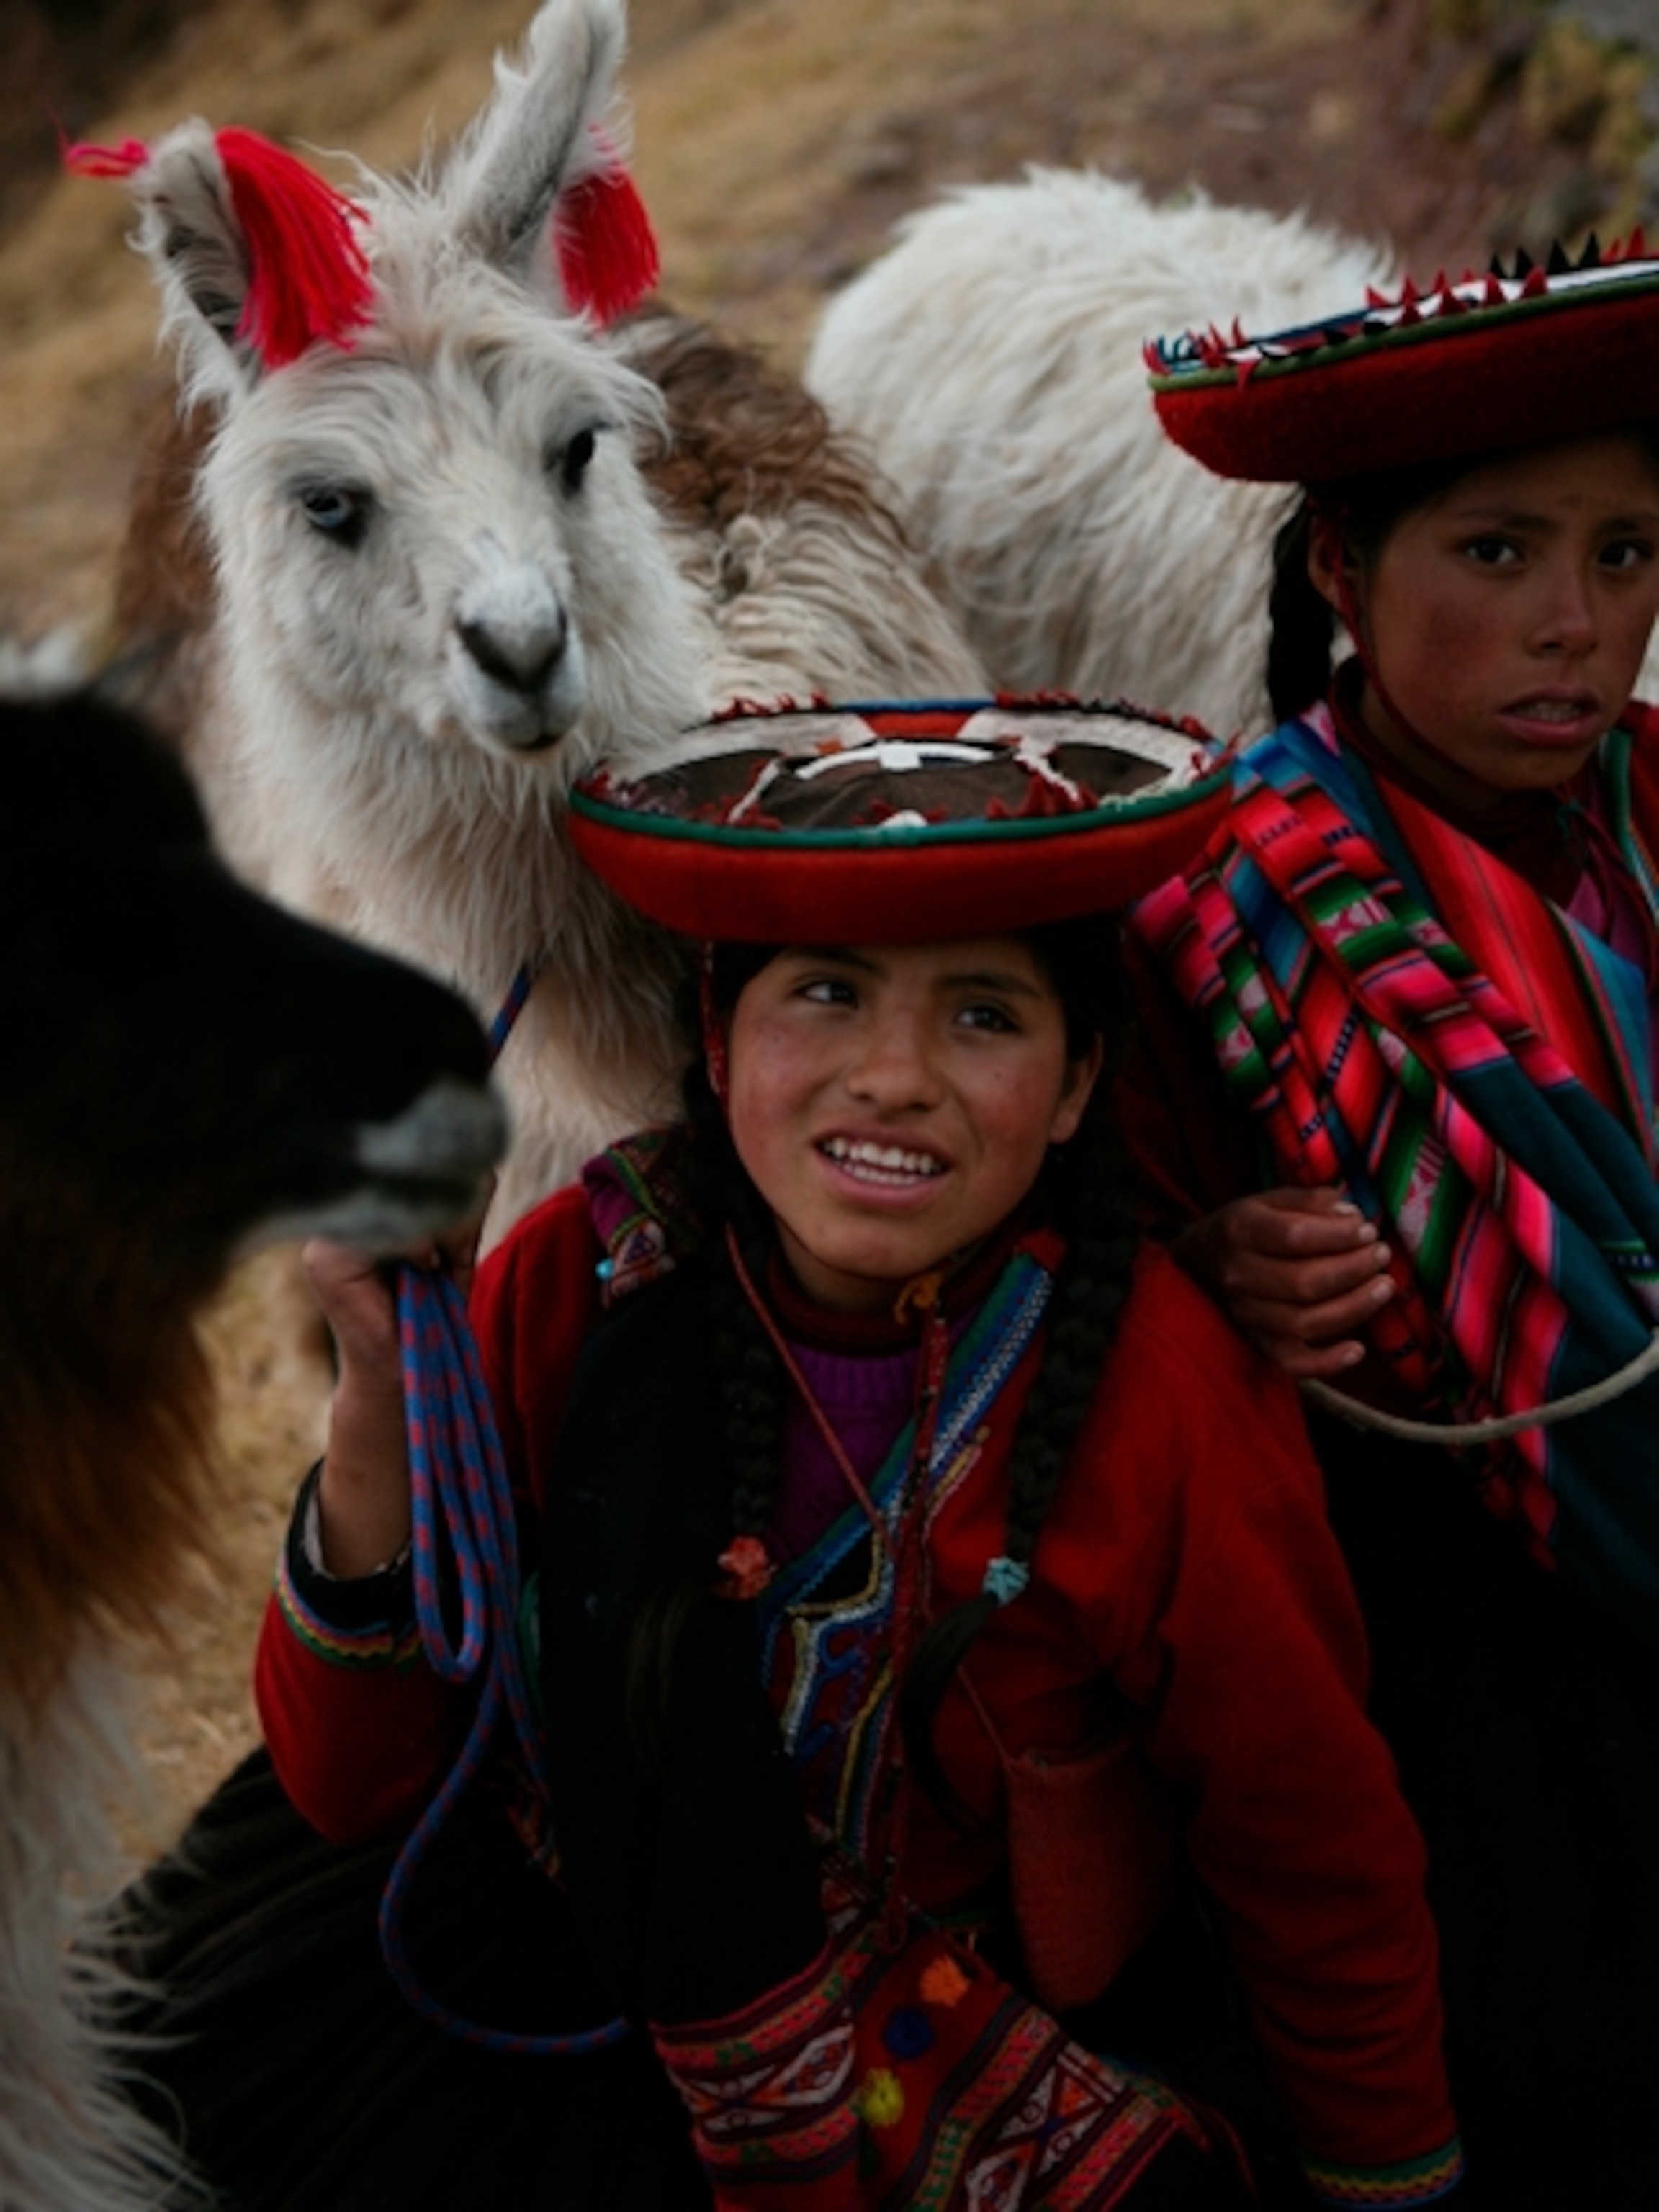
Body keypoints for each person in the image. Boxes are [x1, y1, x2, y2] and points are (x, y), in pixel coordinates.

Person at [117, 703, 1462, 2210]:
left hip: (944, 2057)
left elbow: (1308, 1844)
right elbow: (357, 1783)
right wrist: (377, 1379)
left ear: (1081, 1083)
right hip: (549, 1974)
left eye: (983, 1015)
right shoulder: (574, 1282)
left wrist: (1387, 2187)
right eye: (824, 992)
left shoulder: (1164, 1398)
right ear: (715, 1035)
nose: (893, 1076)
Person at [1125, 241, 1659, 2206]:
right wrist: (1202, 1279)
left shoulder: (1654, 822)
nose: (1579, 628)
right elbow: (1071, 1296)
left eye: (1625, 553)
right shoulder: (1210, 918)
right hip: (1455, 1693)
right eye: (1501, 554)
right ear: (1341, 573)